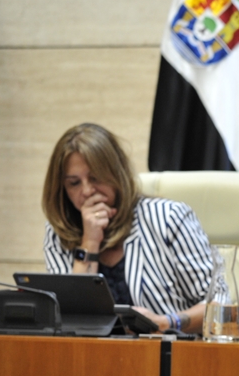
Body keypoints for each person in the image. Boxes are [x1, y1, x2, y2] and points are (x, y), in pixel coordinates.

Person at [41, 123, 213, 333]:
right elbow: (72, 319)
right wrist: (90, 242)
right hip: (93, 359)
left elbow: (218, 305)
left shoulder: (168, 218)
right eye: (74, 183)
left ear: (116, 173)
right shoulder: (59, 233)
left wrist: (167, 322)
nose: (86, 190)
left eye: (95, 177)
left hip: (171, 353)